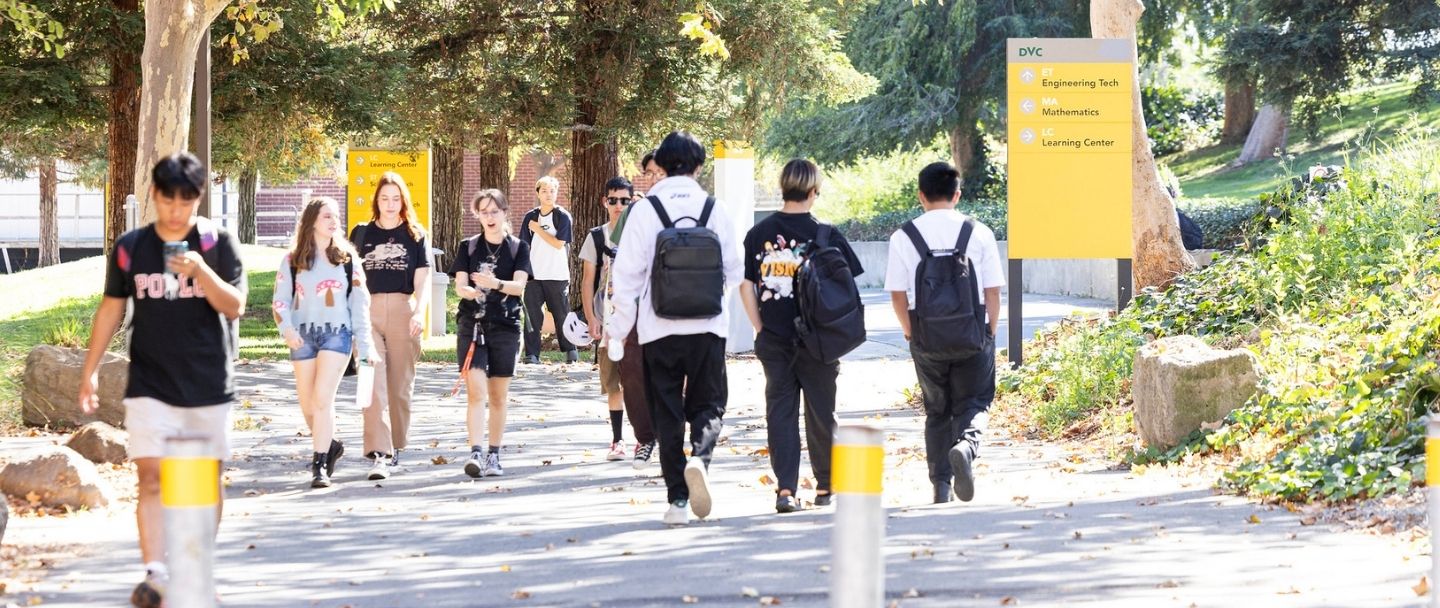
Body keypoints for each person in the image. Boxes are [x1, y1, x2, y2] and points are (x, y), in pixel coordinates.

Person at [77, 152, 246, 607]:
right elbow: (112, 307)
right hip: (151, 382)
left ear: (198, 199)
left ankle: (193, 564)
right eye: (168, 200)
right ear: (154, 195)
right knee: (152, 478)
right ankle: (155, 575)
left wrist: (201, 271)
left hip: (207, 384)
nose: (176, 210)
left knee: (200, 480)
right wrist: (89, 371)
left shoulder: (216, 243)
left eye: (186, 202)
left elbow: (234, 306)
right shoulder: (132, 246)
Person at [607, 131, 743, 525]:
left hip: (657, 328)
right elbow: (734, 270)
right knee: (710, 403)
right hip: (707, 327)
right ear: (699, 166)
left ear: (660, 166)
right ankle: (700, 458)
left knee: (666, 412)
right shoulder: (714, 208)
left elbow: (627, 277)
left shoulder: (645, 210)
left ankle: (677, 502)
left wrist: (619, 329)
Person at [739, 159, 862, 513]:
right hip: (820, 340)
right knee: (822, 412)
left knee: (780, 412)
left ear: (783, 189)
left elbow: (746, 285)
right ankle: (825, 486)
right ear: (813, 192)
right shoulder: (827, 234)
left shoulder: (758, 234)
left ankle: (786, 490)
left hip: (774, 338)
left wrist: (760, 327)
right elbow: (846, 287)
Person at [883, 162, 1004, 504]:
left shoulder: (904, 236)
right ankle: (966, 446)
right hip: (973, 334)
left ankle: (941, 486)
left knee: (937, 411)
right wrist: (989, 332)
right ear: (957, 194)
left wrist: (911, 334)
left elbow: (897, 294)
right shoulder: (978, 232)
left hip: (926, 337)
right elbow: (993, 291)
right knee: (976, 401)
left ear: (921, 196)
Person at [273, 197, 378, 489]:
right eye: (326, 217)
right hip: (302, 336)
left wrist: (365, 345)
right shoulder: (292, 259)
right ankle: (330, 444)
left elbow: (360, 304)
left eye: (336, 217)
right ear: (311, 222)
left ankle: (319, 465)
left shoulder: (347, 259)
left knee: (322, 399)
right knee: (308, 405)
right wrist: (287, 329)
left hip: (337, 334)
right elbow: (280, 301)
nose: (334, 221)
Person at [348, 172, 431, 480]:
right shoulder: (361, 233)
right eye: (385, 198)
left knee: (399, 387)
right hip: (367, 311)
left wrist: (419, 314)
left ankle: (398, 445)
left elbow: (421, 282)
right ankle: (379, 452)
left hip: (402, 309)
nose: (390, 204)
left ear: (403, 201)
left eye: (396, 198)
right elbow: (350, 277)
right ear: (376, 201)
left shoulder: (415, 235)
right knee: (371, 381)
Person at [451, 189, 531, 478]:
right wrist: (469, 291)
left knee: (497, 396)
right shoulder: (468, 247)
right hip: (472, 325)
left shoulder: (517, 248)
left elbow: (519, 286)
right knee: (476, 391)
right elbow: (460, 284)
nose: (489, 217)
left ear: (504, 212)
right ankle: (475, 450)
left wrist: (494, 282)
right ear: (477, 215)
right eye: (484, 212)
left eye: (494, 211)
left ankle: (493, 454)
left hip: (506, 325)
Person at [579, 176, 656, 463]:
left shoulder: (643, 236)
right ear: (604, 201)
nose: (619, 206)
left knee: (639, 380)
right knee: (614, 384)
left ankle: (643, 439)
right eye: (613, 200)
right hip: (609, 318)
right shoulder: (598, 237)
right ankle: (617, 440)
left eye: (625, 200)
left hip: (640, 320)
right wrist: (591, 317)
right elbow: (588, 281)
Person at [519, 175, 578, 364]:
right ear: (538, 193)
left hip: (557, 275)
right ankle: (532, 355)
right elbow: (523, 247)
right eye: (544, 190)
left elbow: (559, 244)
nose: (548, 194)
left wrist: (538, 229)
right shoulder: (530, 216)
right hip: (534, 277)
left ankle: (571, 352)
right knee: (532, 317)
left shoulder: (562, 216)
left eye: (552, 190)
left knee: (562, 315)